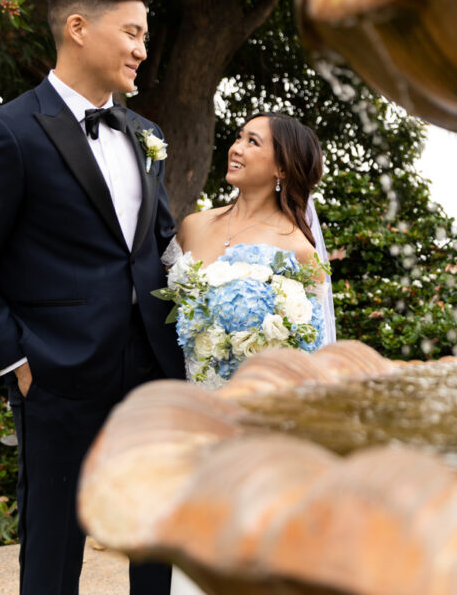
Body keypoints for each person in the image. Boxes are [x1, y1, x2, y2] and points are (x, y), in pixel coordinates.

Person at [0, 0, 184, 594]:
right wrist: (16, 360)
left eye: (145, 36)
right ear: (78, 27)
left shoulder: (145, 134)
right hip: (57, 374)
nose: (141, 50)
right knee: (53, 550)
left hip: (153, 369)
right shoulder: (8, 131)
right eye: (131, 32)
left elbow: (159, 248)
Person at [163, 112, 333, 595]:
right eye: (238, 137)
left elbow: (309, 357)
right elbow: (157, 318)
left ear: (281, 168)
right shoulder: (194, 227)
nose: (235, 147)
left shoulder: (298, 250)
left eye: (252, 142)